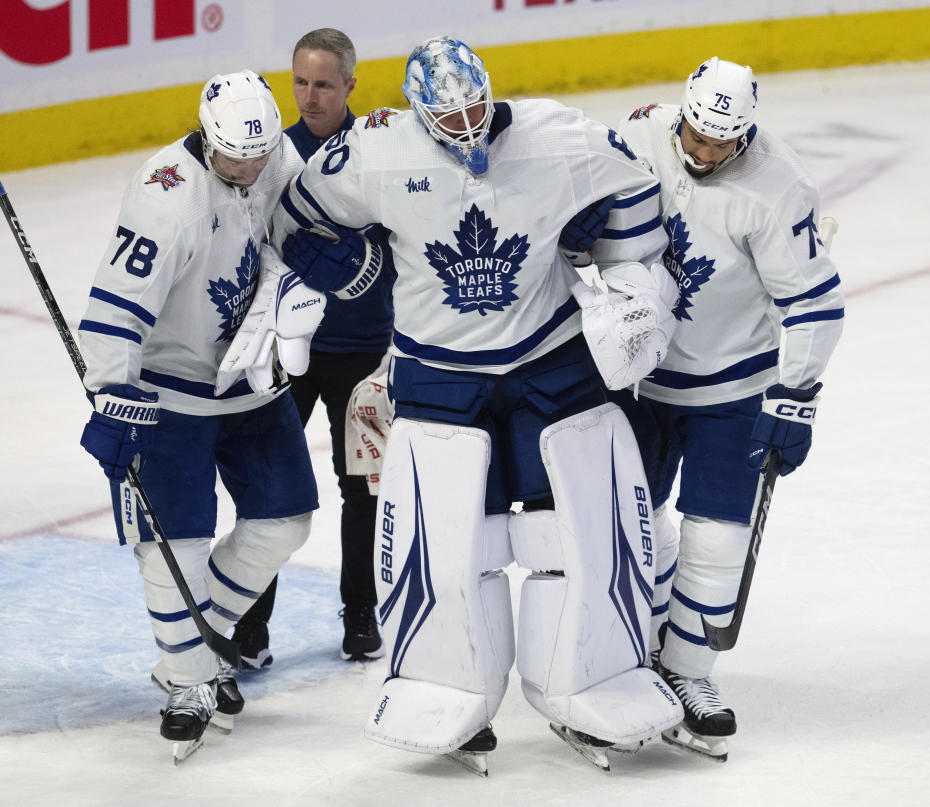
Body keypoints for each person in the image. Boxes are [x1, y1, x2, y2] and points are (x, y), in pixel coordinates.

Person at [219, 35, 685, 772]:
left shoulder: (550, 133)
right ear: (416, 109)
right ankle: (448, 682)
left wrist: (628, 266)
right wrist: (311, 274)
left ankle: (590, 674)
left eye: (475, 104)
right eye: (448, 111)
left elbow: (632, 178)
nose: (467, 124)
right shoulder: (375, 150)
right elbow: (297, 213)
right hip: (439, 372)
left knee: (575, 530)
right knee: (448, 546)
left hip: (549, 361)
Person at [608, 57, 845, 761]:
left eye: (720, 144)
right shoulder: (640, 137)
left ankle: (687, 671)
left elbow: (811, 301)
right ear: (680, 113)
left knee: (717, 540)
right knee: (626, 521)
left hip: (733, 384)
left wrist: (795, 397)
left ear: (745, 134)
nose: (702, 152)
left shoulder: (779, 185)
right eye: (695, 136)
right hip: (638, 378)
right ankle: (636, 647)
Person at [77, 70, 318, 761]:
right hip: (170, 389)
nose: (248, 167)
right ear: (208, 140)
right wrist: (114, 402)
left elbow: (306, 223)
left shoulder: (276, 157)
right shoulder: (168, 197)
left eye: (260, 153)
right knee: (174, 541)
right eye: (234, 155)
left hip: (248, 378)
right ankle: (188, 679)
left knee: (286, 517)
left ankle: (200, 640)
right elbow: (117, 307)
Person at [231, 28, 393, 669]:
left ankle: (361, 615)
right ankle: (252, 622)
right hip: (285, 353)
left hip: (362, 350)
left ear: (351, 85)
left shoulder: (378, 152)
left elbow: (402, 243)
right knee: (270, 489)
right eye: (300, 82)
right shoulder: (269, 155)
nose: (309, 95)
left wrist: (354, 265)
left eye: (324, 84)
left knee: (363, 490)